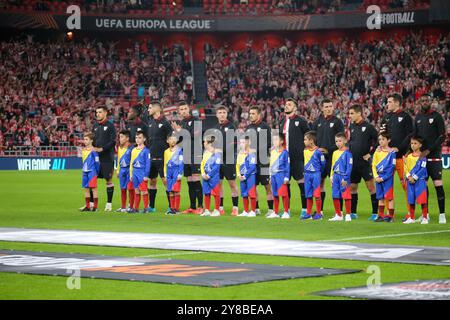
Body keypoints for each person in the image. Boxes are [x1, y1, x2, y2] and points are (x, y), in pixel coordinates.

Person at [412, 94, 446, 224]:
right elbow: (415, 136)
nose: (425, 102)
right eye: (422, 101)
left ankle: (441, 214)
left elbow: (442, 136)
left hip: (434, 158)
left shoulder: (437, 117)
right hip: (422, 159)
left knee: (438, 185)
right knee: (423, 187)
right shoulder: (418, 117)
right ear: (420, 102)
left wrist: (428, 150)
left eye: (427, 100)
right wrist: (411, 151)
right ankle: (425, 215)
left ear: (431, 102)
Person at [379, 93, 413, 211]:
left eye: (389, 102)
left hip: (401, 157)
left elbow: (410, 135)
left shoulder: (406, 117)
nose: (387, 104)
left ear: (397, 103)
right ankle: (389, 213)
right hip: (388, 158)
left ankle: (410, 213)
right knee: (387, 185)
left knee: (406, 186)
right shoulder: (386, 117)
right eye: (387, 102)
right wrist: (381, 146)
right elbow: (382, 135)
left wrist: (399, 147)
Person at [311, 98, 344, 211]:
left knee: (336, 183)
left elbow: (342, 140)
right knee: (319, 184)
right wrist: (315, 149)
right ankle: (319, 210)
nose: (329, 109)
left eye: (330, 106)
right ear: (322, 108)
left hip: (334, 158)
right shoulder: (317, 122)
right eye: (326, 107)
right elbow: (312, 138)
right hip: (319, 159)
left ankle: (339, 212)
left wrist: (328, 150)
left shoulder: (338, 122)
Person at [279, 98, 310, 218]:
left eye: (289, 105)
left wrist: (305, 150)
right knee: (285, 184)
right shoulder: (281, 121)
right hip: (284, 158)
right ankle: (287, 210)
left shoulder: (301, 121)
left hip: (297, 158)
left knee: (301, 183)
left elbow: (309, 135)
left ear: (295, 108)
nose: (286, 106)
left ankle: (305, 209)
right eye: (286, 104)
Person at [348, 104, 378, 220]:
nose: (350, 116)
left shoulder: (369, 127)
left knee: (371, 187)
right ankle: (353, 212)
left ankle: (375, 213)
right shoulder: (351, 127)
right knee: (353, 187)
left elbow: (378, 140)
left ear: (359, 113)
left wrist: (371, 153)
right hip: (353, 162)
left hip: (364, 163)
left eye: (351, 113)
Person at [172, 101, 203, 215]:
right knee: (189, 180)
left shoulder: (196, 120)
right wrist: (176, 132)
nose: (184, 111)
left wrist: (180, 131)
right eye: (182, 109)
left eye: (185, 108)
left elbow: (194, 135)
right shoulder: (181, 123)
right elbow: (179, 141)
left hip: (195, 153)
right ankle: (192, 207)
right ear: (179, 111)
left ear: (188, 109)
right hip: (185, 154)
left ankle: (200, 206)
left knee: (196, 178)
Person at [245, 106, 274, 216]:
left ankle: (271, 209)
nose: (251, 115)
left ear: (258, 115)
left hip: (263, 160)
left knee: (267, 185)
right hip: (252, 161)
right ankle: (256, 208)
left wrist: (256, 149)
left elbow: (269, 143)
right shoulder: (248, 128)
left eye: (253, 113)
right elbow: (246, 143)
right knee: (253, 185)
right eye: (250, 113)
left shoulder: (265, 126)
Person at [146, 101, 173, 212]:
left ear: (157, 109)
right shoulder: (150, 123)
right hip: (152, 158)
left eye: (150, 107)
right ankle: (151, 207)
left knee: (165, 181)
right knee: (152, 181)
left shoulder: (165, 123)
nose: (148, 109)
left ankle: (171, 207)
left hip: (163, 159)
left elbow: (171, 139)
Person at [214, 105, 239, 216]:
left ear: (226, 113)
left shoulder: (231, 126)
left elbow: (231, 144)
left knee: (232, 184)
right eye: (220, 112)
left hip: (228, 159)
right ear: (216, 114)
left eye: (224, 112)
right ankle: (220, 207)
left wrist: (219, 150)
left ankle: (235, 208)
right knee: (218, 184)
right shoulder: (215, 128)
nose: (222, 114)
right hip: (217, 160)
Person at [92, 106, 116, 212]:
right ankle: (92, 204)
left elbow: (113, 141)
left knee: (108, 180)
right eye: (96, 112)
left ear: (105, 113)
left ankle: (109, 204)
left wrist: (102, 149)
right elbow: (93, 141)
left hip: (107, 158)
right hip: (96, 159)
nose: (97, 114)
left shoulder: (110, 126)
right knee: (92, 180)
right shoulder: (95, 126)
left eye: (100, 112)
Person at [403, 136, 429, 224]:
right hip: (410, 181)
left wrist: (414, 177)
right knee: (411, 199)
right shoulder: (409, 156)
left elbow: (422, 169)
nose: (413, 145)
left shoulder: (422, 156)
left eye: (415, 143)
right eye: (411, 143)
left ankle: (425, 218)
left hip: (420, 181)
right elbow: (406, 168)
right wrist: (408, 176)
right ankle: (412, 217)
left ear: (420, 145)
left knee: (422, 199)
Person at [372, 132, 397, 223]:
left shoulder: (392, 153)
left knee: (389, 197)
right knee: (380, 197)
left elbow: (392, 168)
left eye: (383, 139)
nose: (381, 141)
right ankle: (381, 216)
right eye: (379, 140)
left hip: (387, 178)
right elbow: (373, 165)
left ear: (388, 140)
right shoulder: (377, 152)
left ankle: (390, 216)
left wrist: (383, 178)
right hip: (378, 178)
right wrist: (376, 176)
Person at [328, 132, 353, 222]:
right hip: (336, 176)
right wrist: (331, 176)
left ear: (345, 141)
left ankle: (348, 215)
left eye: (340, 141)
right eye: (336, 141)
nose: (338, 143)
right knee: (335, 195)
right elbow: (333, 165)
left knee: (346, 195)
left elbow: (349, 167)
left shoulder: (348, 153)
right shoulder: (335, 153)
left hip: (343, 177)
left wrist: (345, 178)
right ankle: (338, 214)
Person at [302, 131, 326, 220]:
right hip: (307, 174)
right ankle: (308, 213)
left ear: (311, 141)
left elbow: (323, 163)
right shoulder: (305, 151)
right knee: (308, 194)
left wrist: (319, 173)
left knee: (316, 194)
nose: (304, 141)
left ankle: (319, 214)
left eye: (305, 140)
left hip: (315, 174)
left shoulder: (318, 152)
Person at [267, 133, 290, 219]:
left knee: (284, 194)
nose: (274, 141)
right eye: (273, 140)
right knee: (275, 194)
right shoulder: (272, 152)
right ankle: (275, 212)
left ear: (281, 141)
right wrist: (270, 176)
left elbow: (287, 165)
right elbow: (271, 164)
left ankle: (286, 212)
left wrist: (286, 176)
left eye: (276, 139)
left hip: (281, 174)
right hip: (273, 175)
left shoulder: (285, 153)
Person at [200, 135, 222, 217]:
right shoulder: (205, 152)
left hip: (214, 177)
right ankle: (207, 210)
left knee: (216, 193)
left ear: (210, 143)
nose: (204, 143)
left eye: (205, 141)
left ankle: (217, 210)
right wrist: (203, 173)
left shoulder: (217, 153)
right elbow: (202, 163)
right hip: (205, 176)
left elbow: (216, 167)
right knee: (206, 193)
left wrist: (209, 175)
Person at [129, 131, 151, 213]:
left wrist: (146, 175)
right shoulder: (133, 150)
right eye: (136, 138)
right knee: (136, 190)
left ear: (144, 139)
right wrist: (131, 174)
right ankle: (136, 208)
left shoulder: (146, 151)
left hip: (142, 173)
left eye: (140, 138)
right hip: (135, 172)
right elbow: (131, 163)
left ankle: (146, 208)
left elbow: (148, 164)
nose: (137, 140)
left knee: (144, 190)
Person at [236, 136, 257, 217]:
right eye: (240, 142)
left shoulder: (252, 154)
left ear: (248, 143)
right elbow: (237, 165)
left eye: (243, 142)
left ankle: (253, 211)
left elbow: (252, 167)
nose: (241, 144)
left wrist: (245, 176)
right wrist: (238, 175)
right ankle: (245, 211)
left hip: (250, 176)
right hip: (242, 176)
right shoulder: (240, 154)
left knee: (251, 193)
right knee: (244, 193)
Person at [79, 132, 100, 212]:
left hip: (92, 172)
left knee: (94, 189)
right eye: (84, 139)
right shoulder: (83, 150)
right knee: (86, 189)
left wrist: (97, 172)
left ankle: (95, 207)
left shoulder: (94, 151)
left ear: (91, 141)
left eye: (86, 139)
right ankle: (87, 206)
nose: (85, 141)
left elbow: (97, 162)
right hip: (85, 172)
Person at [164, 134, 184, 215]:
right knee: (170, 191)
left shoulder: (179, 151)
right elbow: (165, 163)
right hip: (169, 172)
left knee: (176, 191)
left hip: (176, 171)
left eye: (174, 139)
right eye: (170, 139)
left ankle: (177, 209)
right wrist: (165, 173)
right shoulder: (166, 151)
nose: (172, 141)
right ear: (167, 141)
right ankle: (172, 208)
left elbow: (181, 162)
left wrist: (180, 173)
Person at [116, 130, 134, 212]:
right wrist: (117, 170)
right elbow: (119, 159)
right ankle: (123, 207)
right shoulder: (119, 148)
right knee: (122, 189)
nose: (120, 139)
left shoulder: (131, 149)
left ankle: (131, 206)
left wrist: (131, 172)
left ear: (127, 138)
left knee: (130, 189)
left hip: (129, 170)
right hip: (122, 170)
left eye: (122, 137)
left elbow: (132, 161)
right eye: (119, 137)